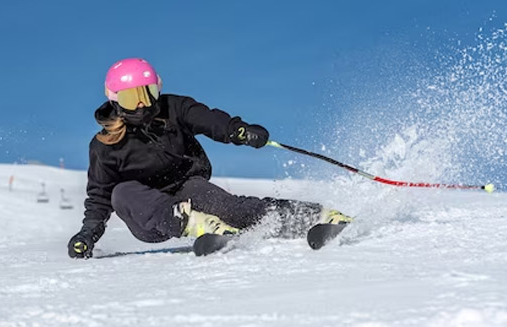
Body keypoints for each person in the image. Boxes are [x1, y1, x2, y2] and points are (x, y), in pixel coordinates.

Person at [68, 58, 351, 259]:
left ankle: (316, 216)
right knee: (121, 192)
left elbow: (207, 118)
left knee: (234, 209)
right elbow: (100, 198)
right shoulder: (104, 145)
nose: (142, 104)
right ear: (115, 101)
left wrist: (237, 131)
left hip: (188, 189)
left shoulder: (173, 108)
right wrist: (87, 235)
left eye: (148, 93)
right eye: (131, 99)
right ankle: (195, 224)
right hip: (149, 216)